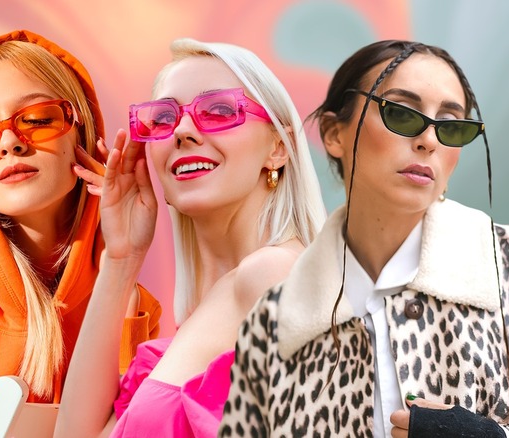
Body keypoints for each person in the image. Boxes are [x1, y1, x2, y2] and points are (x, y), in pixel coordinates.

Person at [219, 40, 509, 437]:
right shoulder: (276, 318)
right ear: (335, 134)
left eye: (450, 125)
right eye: (400, 113)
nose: (429, 139)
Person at [54, 38, 326, 437]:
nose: (182, 130)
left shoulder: (273, 275)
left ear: (278, 149)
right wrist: (122, 258)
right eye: (162, 119)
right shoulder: (202, 313)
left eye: (218, 110)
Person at [0, 30, 161, 437]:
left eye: (38, 120)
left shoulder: (130, 305)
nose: (9, 142)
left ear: (81, 133)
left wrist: (123, 267)